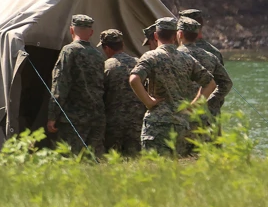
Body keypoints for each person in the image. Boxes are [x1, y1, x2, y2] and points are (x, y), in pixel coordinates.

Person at [129, 16, 216, 156]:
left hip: (158, 123)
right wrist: (193, 106)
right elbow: (210, 83)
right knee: (177, 167)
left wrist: (148, 102)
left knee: (156, 166)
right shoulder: (187, 59)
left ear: (155, 35)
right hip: (182, 123)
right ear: (175, 36)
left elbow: (134, 79)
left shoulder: (150, 56)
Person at [45, 14, 106, 156]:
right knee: (93, 158)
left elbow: (60, 84)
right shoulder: (98, 55)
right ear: (91, 33)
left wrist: (52, 115)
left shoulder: (69, 51)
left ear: (71, 30)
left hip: (73, 118)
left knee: (71, 159)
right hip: (96, 117)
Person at [178, 16, 233, 122]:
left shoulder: (174, 56)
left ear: (179, 34)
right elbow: (226, 83)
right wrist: (211, 100)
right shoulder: (210, 56)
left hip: (181, 115)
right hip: (205, 114)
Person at [99, 30, 143, 156]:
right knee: (136, 159)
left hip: (114, 123)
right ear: (122, 44)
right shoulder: (138, 63)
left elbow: (100, 93)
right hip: (137, 120)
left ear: (106, 48)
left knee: (114, 160)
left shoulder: (105, 66)